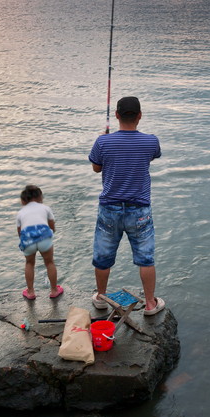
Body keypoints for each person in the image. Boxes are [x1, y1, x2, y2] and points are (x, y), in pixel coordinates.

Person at [88, 96, 165, 315]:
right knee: (145, 258)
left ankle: (101, 297)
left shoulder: (103, 142)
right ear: (140, 115)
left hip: (109, 209)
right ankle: (150, 303)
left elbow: (96, 168)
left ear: (117, 115)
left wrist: (107, 141)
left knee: (103, 257)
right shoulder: (151, 141)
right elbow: (147, 158)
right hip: (139, 209)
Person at [16, 184, 63, 300]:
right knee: (49, 262)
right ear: (40, 197)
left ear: (23, 200)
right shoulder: (45, 208)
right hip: (43, 237)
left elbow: (20, 231)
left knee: (29, 263)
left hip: (28, 239)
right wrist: (50, 234)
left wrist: (25, 241)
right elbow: (52, 225)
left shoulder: (21, 212)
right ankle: (54, 290)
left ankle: (31, 292)